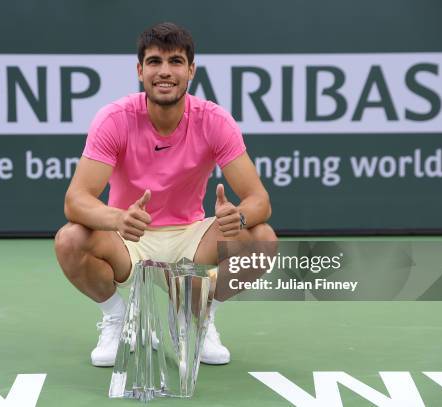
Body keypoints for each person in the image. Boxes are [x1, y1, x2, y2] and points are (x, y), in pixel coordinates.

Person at [54, 22, 277, 367]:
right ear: (140, 70)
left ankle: (196, 316)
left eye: (175, 61)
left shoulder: (214, 120)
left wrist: (240, 216)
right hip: (128, 240)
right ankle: (119, 319)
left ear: (191, 70)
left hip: (190, 239)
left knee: (262, 240)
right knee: (70, 239)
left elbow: (259, 200)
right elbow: (76, 200)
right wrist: (119, 218)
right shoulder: (114, 119)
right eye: (155, 61)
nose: (165, 72)